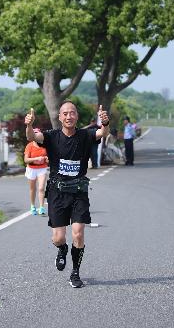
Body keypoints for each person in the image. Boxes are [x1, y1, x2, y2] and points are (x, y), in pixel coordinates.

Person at [25, 101, 110, 288]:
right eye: (65, 113)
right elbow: (32, 136)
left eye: (72, 113)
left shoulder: (86, 135)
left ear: (77, 116)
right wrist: (29, 125)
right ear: (60, 117)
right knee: (58, 238)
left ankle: (75, 272)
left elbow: (102, 133)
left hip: (79, 191)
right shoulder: (51, 136)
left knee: (78, 234)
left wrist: (105, 123)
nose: (68, 116)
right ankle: (62, 250)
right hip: (57, 192)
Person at [24, 128, 48, 216]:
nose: (36, 135)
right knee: (33, 188)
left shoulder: (44, 145)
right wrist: (36, 159)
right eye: (34, 134)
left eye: (37, 133)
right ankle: (33, 206)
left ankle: (41, 207)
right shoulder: (29, 146)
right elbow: (26, 160)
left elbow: (49, 158)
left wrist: (45, 159)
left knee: (41, 188)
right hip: (32, 169)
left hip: (42, 168)